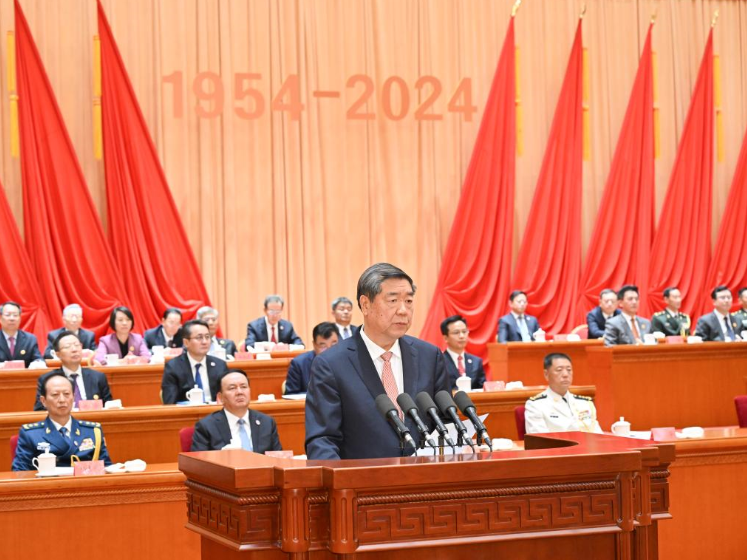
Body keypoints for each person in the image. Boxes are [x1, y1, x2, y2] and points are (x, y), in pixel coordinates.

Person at [305, 263, 449, 460]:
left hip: (423, 475)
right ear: (365, 304)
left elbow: (445, 422)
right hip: (362, 478)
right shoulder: (331, 364)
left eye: (408, 301)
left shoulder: (429, 356)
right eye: (393, 300)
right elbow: (322, 440)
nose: (403, 310)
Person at [12, 373, 112, 471]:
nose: (62, 400)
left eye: (66, 394)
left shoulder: (92, 431)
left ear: (73, 397)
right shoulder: (31, 434)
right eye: (55, 395)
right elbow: (20, 471)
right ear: (43, 401)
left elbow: (106, 468)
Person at [191, 369, 282, 453]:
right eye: (232, 388)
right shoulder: (207, 426)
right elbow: (199, 462)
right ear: (220, 397)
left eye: (243, 387)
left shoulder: (267, 422)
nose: (239, 392)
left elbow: (278, 458)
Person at [524, 353, 602, 434]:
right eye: (559, 370)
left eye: (569, 370)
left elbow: (598, 435)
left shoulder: (584, 403)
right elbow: (539, 439)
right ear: (546, 374)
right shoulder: (536, 405)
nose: (565, 374)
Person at [34, 331, 113, 411]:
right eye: (67, 346)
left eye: (77, 345)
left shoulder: (98, 377)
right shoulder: (47, 379)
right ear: (58, 354)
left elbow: (109, 406)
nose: (74, 350)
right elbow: (40, 410)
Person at [161, 319, 228, 404]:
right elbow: (170, 402)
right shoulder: (173, 367)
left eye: (207, 337)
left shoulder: (220, 365)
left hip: (216, 411)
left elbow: (227, 397)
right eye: (199, 337)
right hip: (187, 411)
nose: (205, 342)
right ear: (186, 342)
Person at [285, 322, 339, 394]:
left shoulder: (347, 362)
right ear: (314, 345)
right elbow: (291, 394)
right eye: (323, 345)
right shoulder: (299, 364)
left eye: (334, 344)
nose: (329, 350)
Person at [441, 315, 485, 390]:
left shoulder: (476, 362)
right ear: (445, 338)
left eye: (464, 332)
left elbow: (483, 389)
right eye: (456, 332)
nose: (461, 336)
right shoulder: (440, 361)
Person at [0, 301, 44, 367]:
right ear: (0, 318)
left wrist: (37, 363)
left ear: (20, 318)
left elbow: (38, 359)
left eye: (15, 315)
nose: (12, 318)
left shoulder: (30, 339)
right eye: (7, 315)